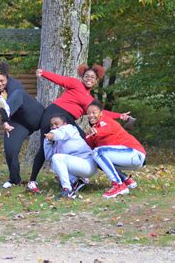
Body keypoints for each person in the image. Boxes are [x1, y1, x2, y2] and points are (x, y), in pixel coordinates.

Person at [27, 64, 131, 193]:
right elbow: (61, 80)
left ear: (96, 81)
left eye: (92, 77)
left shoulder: (90, 99)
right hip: (54, 115)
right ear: (82, 77)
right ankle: (32, 182)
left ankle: (121, 177)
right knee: (46, 146)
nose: (89, 79)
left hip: (68, 120)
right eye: (86, 76)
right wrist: (43, 73)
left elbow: (100, 113)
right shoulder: (76, 84)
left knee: (88, 145)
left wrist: (120, 116)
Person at [0, 61, 44, 188]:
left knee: (18, 95)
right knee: (10, 149)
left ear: (7, 77)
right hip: (19, 123)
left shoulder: (15, 86)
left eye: (2, 81)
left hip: (36, 117)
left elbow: (14, 102)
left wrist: (4, 121)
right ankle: (14, 179)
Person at [86, 100, 145, 199]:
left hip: (135, 153)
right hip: (128, 159)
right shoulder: (93, 131)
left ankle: (118, 185)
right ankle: (126, 180)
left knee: (98, 152)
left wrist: (96, 131)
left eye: (93, 112)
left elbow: (107, 129)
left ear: (101, 113)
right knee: (96, 159)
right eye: (88, 113)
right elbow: (88, 147)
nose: (91, 115)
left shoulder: (107, 121)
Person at [43, 114, 97, 199]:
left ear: (64, 124)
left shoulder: (70, 129)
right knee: (55, 161)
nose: (54, 127)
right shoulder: (57, 142)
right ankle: (76, 182)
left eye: (57, 124)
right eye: (52, 125)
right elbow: (49, 157)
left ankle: (67, 190)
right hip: (78, 166)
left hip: (88, 163)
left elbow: (61, 132)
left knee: (57, 158)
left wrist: (51, 134)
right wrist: (47, 141)